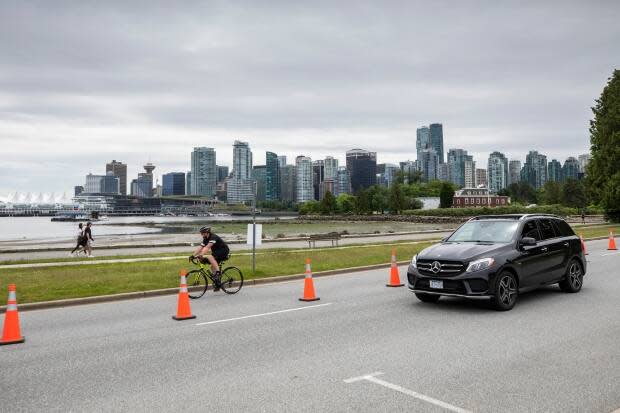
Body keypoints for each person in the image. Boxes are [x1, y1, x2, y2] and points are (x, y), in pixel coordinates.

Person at [190, 226, 230, 291]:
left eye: (203, 233)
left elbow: (207, 247)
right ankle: (218, 284)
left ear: (207, 232)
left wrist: (201, 255)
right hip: (216, 252)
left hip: (223, 251)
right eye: (201, 233)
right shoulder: (205, 238)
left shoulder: (213, 237)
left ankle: (218, 272)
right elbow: (201, 247)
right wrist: (192, 255)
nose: (201, 234)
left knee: (210, 257)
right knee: (212, 267)